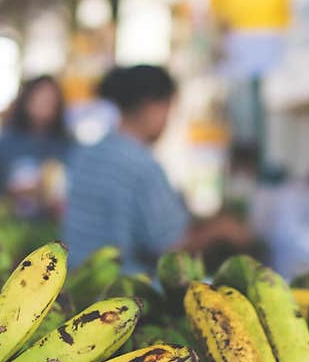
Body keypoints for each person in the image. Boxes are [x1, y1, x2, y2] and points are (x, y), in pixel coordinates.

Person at [64, 65, 250, 276]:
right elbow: (169, 248)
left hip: (76, 284)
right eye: (169, 109)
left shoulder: (85, 153)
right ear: (152, 106)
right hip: (123, 294)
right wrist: (221, 230)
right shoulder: (142, 166)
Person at [0, 75, 72, 219]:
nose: (46, 105)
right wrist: (10, 192)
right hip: (12, 225)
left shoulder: (66, 146)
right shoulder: (7, 143)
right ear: (27, 101)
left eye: (51, 101)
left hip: (53, 227)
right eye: (41, 99)